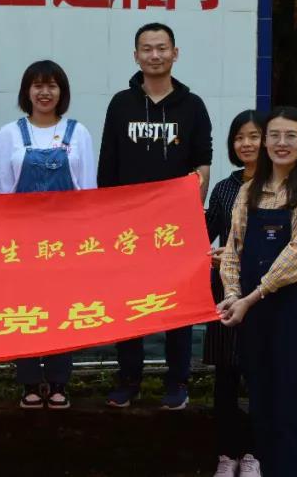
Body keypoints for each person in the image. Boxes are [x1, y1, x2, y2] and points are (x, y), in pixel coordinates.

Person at [97, 22, 213, 410]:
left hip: (174, 228)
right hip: (128, 227)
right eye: (147, 49)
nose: (155, 55)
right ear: (136, 56)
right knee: (128, 304)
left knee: (178, 304)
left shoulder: (193, 106)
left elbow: (202, 164)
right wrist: (108, 220)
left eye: (162, 48)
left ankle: (177, 380)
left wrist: (189, 211)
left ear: (175, 53)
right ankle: (129, 378)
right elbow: (108, 166)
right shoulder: (121, 104)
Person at [218, 106, 297, 477]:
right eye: (275, 135)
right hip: (254, 316)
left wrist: (250, 297)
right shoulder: (248, 191)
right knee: (261, 405)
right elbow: (233, 249)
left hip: (293, 313)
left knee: (289, 407)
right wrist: (232, 294)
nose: (282, 143)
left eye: (290, 136)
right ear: (265, 142)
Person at [0, 59, 96, 410]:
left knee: (61, 310)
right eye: (37, 85)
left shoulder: (78, 133)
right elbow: (1, 191)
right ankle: (27, 382)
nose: (44, 92)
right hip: (21, 239)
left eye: (52, 85)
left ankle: (58, 382)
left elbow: (87, 190)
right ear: (27, 91)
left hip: (65, 239)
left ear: (61, 92)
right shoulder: (9, 134)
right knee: (23, 309)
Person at [205, 110, 265, 477]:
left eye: (253, 136)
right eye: (240, 137)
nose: (246, 143)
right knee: (225, 377)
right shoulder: (224, 189)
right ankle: (226, 455)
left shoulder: (280, 186)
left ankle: (254, 454)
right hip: (225, 292)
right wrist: (211, 255)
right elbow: (202, 234)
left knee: (259, 375)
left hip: (263, 292)